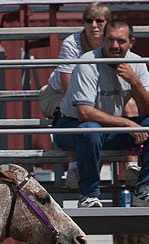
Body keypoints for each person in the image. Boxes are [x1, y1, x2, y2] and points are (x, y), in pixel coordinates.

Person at [53, 20, 149, 208]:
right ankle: (89, 195)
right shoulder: (88, 63)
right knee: (91, 130)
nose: (115, 46)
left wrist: (134, 82)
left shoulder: (137, 63)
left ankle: (146, 190)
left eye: (121, 41)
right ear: (103, 40)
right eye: (110, 40)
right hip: (71, 127)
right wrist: (126, 123)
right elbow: (84, 113)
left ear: (132, 42)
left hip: (107, 128)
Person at [39, 3, 140, 189]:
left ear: (108, 23)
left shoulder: (113, 42)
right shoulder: (72, 43)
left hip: (98, 94)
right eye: (89, 20)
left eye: (99, 21)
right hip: (57, 94)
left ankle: (132, 166)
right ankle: (75, 168)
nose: (94, 25)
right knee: (78, 111)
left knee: (129, 105)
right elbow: (69, 89)